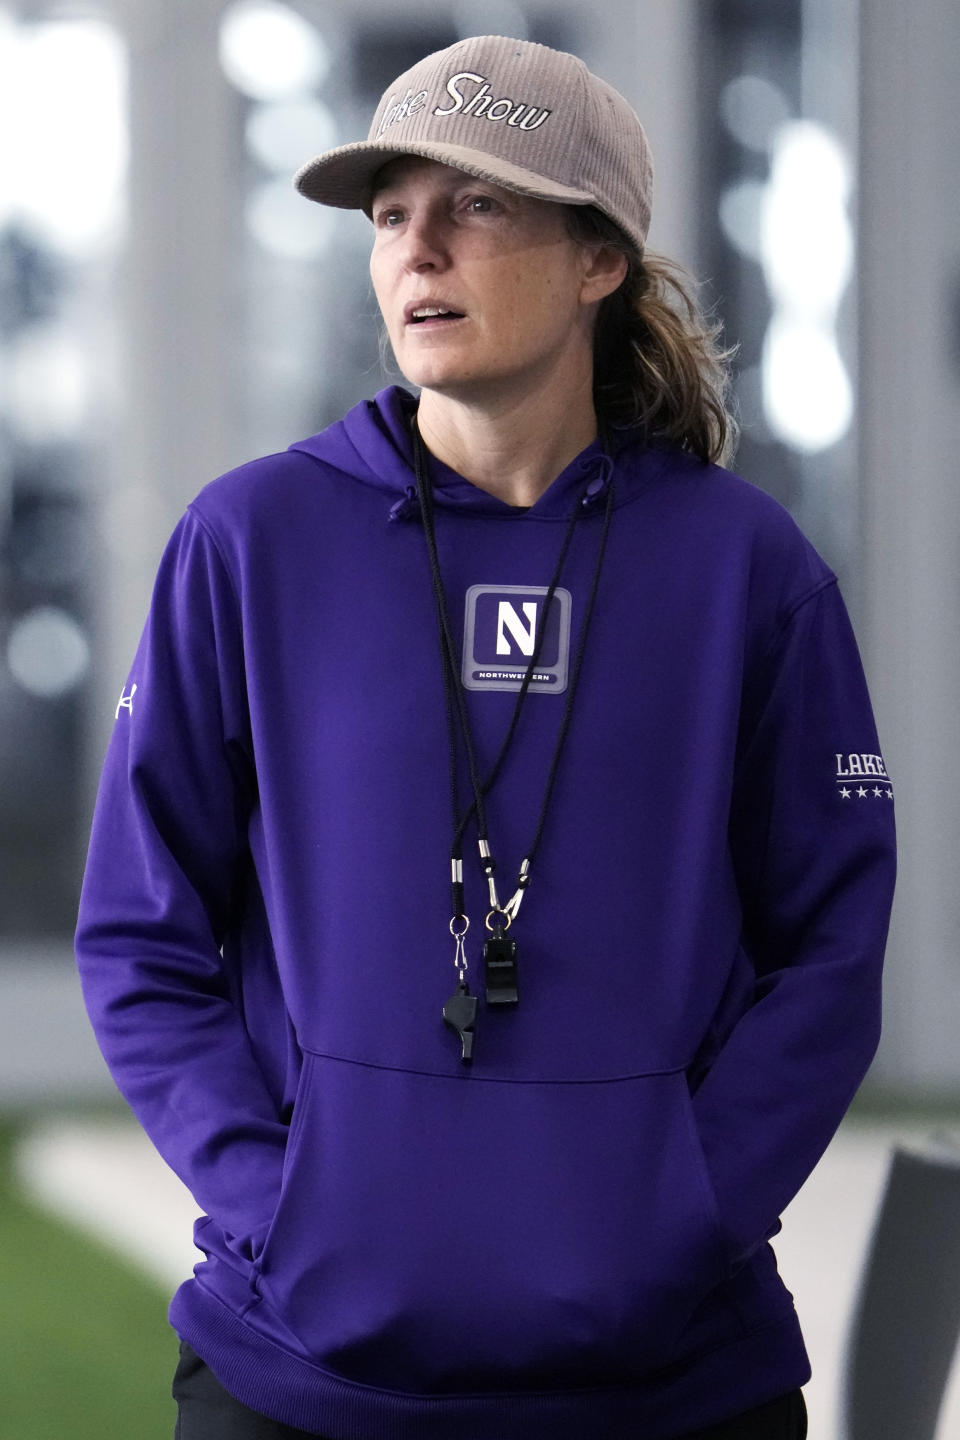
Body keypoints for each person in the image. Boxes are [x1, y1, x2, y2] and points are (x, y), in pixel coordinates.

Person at [75, 33, 896, 1440]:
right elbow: (142, 936)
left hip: (671, 1385)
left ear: (601, 260)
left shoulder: (746, 571)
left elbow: (828, 943)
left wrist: (685, 1208)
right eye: (392, 214)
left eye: (480, 206)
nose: (418, 250)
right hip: (305, 1375)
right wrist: (285, 1203)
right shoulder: (249, 543)